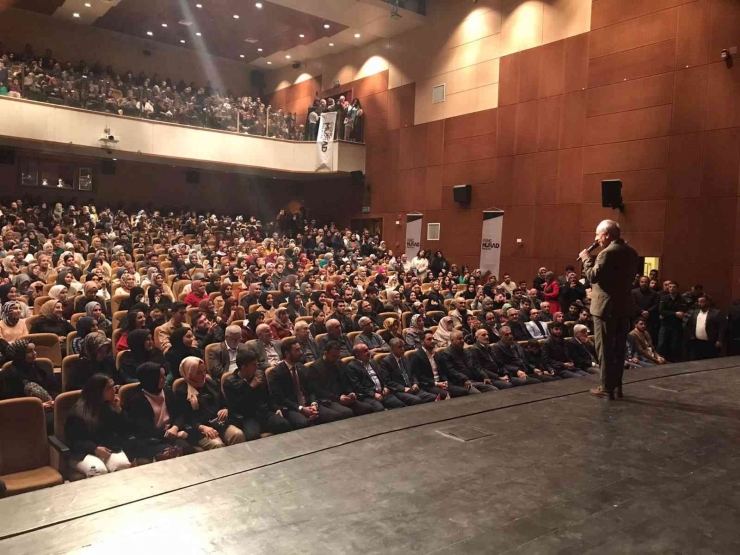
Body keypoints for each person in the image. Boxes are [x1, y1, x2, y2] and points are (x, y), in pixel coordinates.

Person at [580, 219, 639, 399]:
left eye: (597, 235)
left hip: (605, 308)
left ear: (606, 235)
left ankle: (606, 387)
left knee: (605, 348)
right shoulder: (631, 252)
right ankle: (617, 387)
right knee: (619, 348)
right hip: (624, 306)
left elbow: (593, 276)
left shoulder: (606, 253)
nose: (596, 239)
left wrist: (586, 259)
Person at [65, 374, 139, 477]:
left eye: (114, 386)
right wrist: (94, 448)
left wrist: (119, 411)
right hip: (82, 453)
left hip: (107, 447)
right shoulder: (78, 412)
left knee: (122, 465)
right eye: (109, 388)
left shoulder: (109, 406)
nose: (114, 390)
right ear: (98, 392)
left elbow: (125, 431)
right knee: (99, 471)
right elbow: (72, 442)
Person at [267, 338, 349, 428]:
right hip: (292, 408)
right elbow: (280, 398)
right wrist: (301, 409)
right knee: (303, 423)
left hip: (309, 405)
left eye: (300, 349)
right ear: (287, 354)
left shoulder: (302, 368)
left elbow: (311, 390)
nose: (301, 352)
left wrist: (313, 404)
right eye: (297, 350)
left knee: (334, 416)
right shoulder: (275, 373)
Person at [174, 357, 245, 449]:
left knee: (237, 434)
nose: (203, 375)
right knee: (217, 445)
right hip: (200, 430)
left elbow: (224, 403)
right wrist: (202, 427)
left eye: (204, 371)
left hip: (219, 423)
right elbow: (184, 418)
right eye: (198, 373)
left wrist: (224, 409)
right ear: (189, 374)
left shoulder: (211, 383)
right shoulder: (182, 391)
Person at [126, 362, 193, 457]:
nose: (165, 379)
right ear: (151, 379)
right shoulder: (137, 399)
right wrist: (175, 434)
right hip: (152, 439)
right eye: (161, 377)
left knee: (187, 449)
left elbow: (180, 414)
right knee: (170, 453)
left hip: (171, 432)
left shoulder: (167, 391)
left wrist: (175, 428)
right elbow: (144, 429)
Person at [223, 349, 292, 440]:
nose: (257, 367)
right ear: (244, 367)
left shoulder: (259, 374)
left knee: (283, 424)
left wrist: (276, 408)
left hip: (264, 413)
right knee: (252, 436)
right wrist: (251, 387)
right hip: (247, 417)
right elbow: (236, 407)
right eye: (254, 365)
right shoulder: (230, 382)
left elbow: (268, 396)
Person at [309, 341, 381, 415]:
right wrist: (338, 398)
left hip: (344, 396)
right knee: (347, 412)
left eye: (338, 356)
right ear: (325, 353)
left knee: (367, 408)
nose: (336, 359)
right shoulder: (315, 368)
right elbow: (318, 391)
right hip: (328, 399)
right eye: (333, 356)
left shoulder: (339, 363)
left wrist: (350, 393)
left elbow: (346, 383)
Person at [2, 340, 58, 432]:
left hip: (49, 406)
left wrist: (53, 401)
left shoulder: (42, 367)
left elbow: (54, 388)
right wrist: (38, 405)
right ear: (20, 354)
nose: (34, 353)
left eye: (34, 350)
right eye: (29, 351)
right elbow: (11, 401)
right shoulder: (8, 374)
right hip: (24, 412)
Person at [346, 343, 406, 409]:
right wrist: (373, 394)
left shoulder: (373, 362)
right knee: (379, 408)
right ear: (357, 354)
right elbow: (357, 386)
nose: (368, 352)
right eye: (365, 351)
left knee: (400, 404)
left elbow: (382, 378)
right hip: (368, 396)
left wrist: (385, 386)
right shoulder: (352, 366)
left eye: (368, 350)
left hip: (382, 392)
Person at [379, 338, 438, 404]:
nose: (402, 349)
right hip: (399, 390)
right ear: (392, 349)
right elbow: (388, 381)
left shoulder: (405, 358)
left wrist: (415, 383)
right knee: (417, 400)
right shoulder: (386, 362)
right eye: (399, 347)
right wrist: (403, 388)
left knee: (433, 397)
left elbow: (412, 374)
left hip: (412, 388)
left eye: (403, 347)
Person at [685, 295, 726, 360]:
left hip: (711, 343)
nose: (699, 303)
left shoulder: (717, 313)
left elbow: (722, 327)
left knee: (711, 361)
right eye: (698, 302)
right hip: (697, 342)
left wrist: (720, 340)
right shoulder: (695, 313)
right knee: (698, 360)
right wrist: (691, 336)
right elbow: (690, 325)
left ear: (708, 302)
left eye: (702, 301)